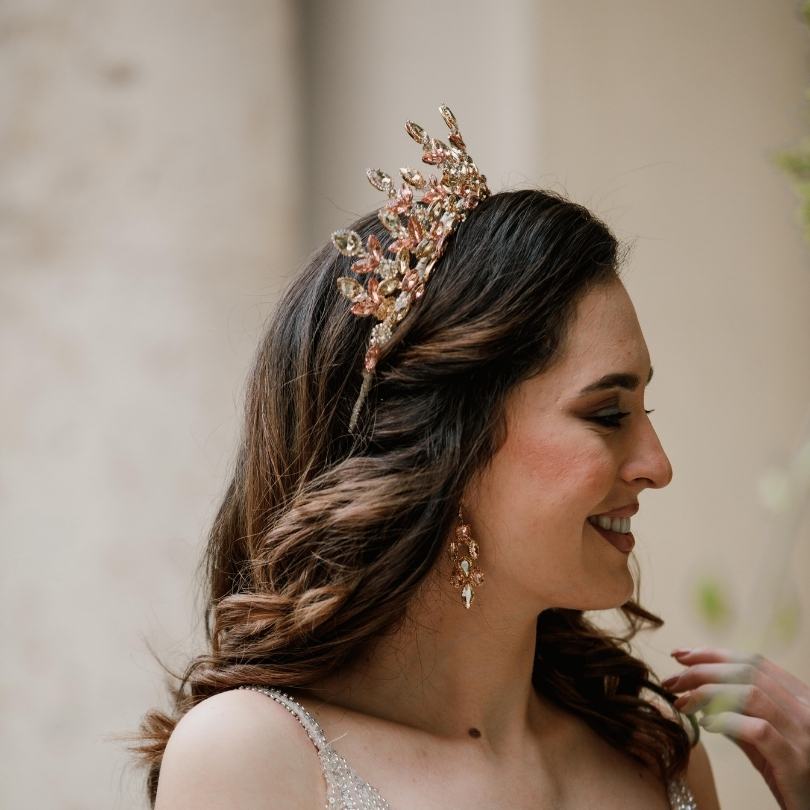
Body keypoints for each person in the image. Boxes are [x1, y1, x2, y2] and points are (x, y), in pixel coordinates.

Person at [130, 106, 810, 810]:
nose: (656, 465)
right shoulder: (256, 758)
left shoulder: (657, 761)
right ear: (444, 443)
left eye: (645, 413)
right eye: (607, 414)